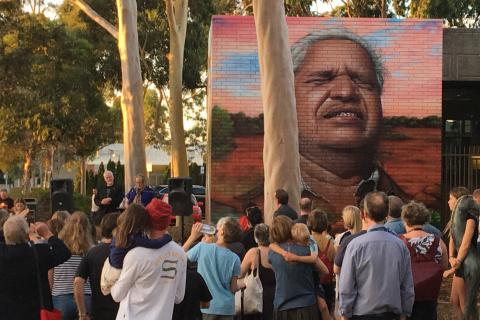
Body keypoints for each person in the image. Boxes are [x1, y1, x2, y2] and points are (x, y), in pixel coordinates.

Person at [291, 30, 408, 214]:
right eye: (321, 79)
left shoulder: (409, 207)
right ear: (287, 97)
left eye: (363, 82)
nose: (346, 91)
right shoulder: (247, 206)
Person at [339, 192, 414, 320]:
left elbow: (347, 285)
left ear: (364, 214)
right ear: (386, 214)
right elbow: (407, 285)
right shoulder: (400, 245)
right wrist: (405, 313)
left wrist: (345, 313)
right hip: (391, 314)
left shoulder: (355, 245)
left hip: (362, 314)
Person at [111, 199, 187, 319]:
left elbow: (117, 295)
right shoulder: (181, 253)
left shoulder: (136, 254)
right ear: (168, 222)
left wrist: (111, 281)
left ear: (146, 220)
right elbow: (178, 297)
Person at [0, 216, 71, 319]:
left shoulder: (2, 253)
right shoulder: (38, 253)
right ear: (26, 234)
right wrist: (47, 234)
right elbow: (64, 252)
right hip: (36, 313)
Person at [101, 202, 172, 295]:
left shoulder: (120, 232)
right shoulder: (133, 238)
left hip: (109, 266)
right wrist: (167, 237)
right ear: (140, 223)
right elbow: (154, 244)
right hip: (117, 272)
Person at [183, 218, 242, 320]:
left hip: (208, 306)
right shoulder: (235, 258)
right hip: (227, 308)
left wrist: (192, 237)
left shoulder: (202, 247)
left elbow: (179, 256)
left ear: (222, 231)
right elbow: (233, 288)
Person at [400, 201, 448, 320]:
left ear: (405, 220)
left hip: (405, 296)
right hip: (430, 295)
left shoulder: (399, 242)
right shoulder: (439, 242)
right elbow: (444, 267)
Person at [268, 216, 319, 319]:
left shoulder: (272, 253)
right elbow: (324, 271)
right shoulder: (306, 249)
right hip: (306, 305)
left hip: (282, 306)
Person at [74, 213, 120, 320]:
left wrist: (82, 313)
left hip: (97, 313)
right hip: (121, 312)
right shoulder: (125, 253)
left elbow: (78, 282)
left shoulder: (92, 253)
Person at [51, 212, 94, 319]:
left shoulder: (58, 246)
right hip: (85, 296)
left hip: (61, 297)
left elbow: (50, 273)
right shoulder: (91, 249)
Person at [445, 187, 480, 320]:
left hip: (467, 263)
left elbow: (465, 244)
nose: (448, 202)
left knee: (466, 304)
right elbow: (452, 240)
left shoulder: (470, 219)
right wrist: (451, 257)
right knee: (454, 301)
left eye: (451, 199)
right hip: (459, 262)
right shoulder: (455, 219)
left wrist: (455, 265)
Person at [240, 223, 276, 320]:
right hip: (276, 297)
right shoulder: (277, 251)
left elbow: (239, 274)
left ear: (256, 238)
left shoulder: (254, 252)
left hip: (257, 298)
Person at [308, 209, 336, 315]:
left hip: (310, 287)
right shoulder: (331, 244)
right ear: (325, 224)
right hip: (327, 286)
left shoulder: (306, 242)